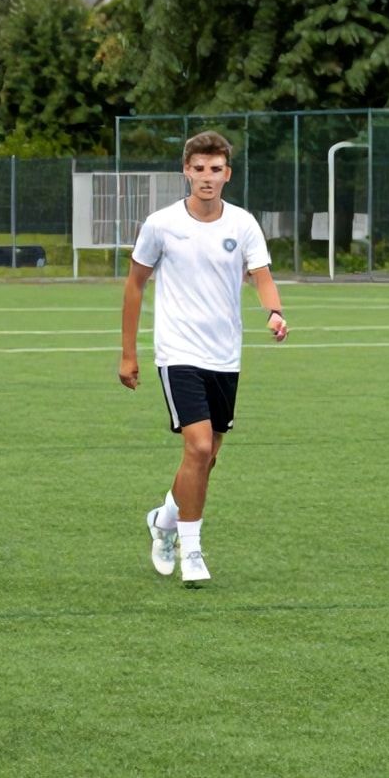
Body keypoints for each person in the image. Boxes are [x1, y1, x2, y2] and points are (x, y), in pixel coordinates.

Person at [119, 130, 287, 586]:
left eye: (215, 169)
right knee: (195, 447)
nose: (207, 177)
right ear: (186, 172)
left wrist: (273, 312)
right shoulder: (161, 224)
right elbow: (135, 284)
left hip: (224, 356)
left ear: (227, 174)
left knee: (207, 457)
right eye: (199, 169)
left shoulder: (243, 225)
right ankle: (191, 550)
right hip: (178, 352)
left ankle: (164, 521)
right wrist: (128, 354)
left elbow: (262, 277)